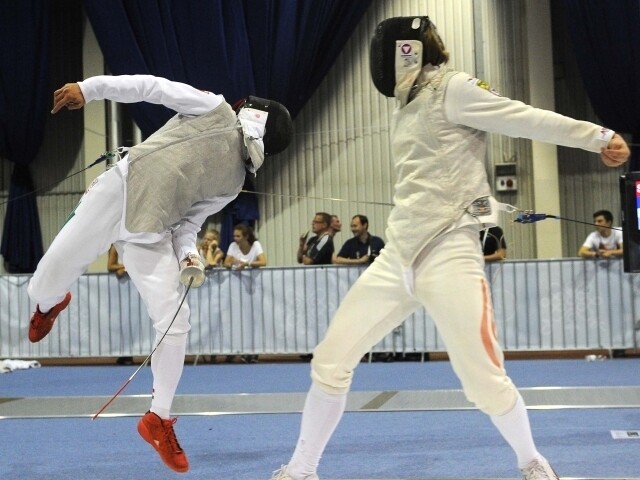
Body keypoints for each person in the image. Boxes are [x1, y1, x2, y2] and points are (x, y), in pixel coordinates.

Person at [270, 16, 629, 480]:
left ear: (407, 52)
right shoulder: (406, 105)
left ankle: (532, 462)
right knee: (330, 360)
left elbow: (521, 116)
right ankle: (301, 468)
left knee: (483, 381)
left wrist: (596, 137)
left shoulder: (454, 88)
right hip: (397, 253)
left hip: (450, 253)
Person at [25, 74, 291, 473]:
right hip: (117, 192)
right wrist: (90, 89)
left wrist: (189, 257)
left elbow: (187, 225)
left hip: (152, 234)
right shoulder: (213, 108)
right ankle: (51, 302)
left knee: (176, 319)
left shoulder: (234, 183)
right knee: (41, 283)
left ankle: (158, 418)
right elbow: (152, 87)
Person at [107, 244, 133, 365]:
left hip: (136, 288)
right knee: (122, 321)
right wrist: (126, 266)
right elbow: (110, 265)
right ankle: (124, 352)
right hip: (122, 291)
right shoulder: (115, 245)